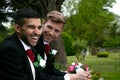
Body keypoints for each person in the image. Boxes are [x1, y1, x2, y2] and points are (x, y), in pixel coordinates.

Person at [35, 11, 91, 80]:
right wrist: (72, 77)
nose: (51, 33)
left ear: (61, 32)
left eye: (56, 31)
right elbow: (40, 77)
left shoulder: (47, 45)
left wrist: (68, 74)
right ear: (43, 23)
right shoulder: (33, 43)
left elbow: (49, 69)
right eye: (49, 27)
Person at [0, 8, 42, 80]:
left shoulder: (29, 45)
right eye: (31, 27)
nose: (37, 32)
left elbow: (40, 74)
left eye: (39, 27)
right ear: (17, 28)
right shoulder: (10, 50)